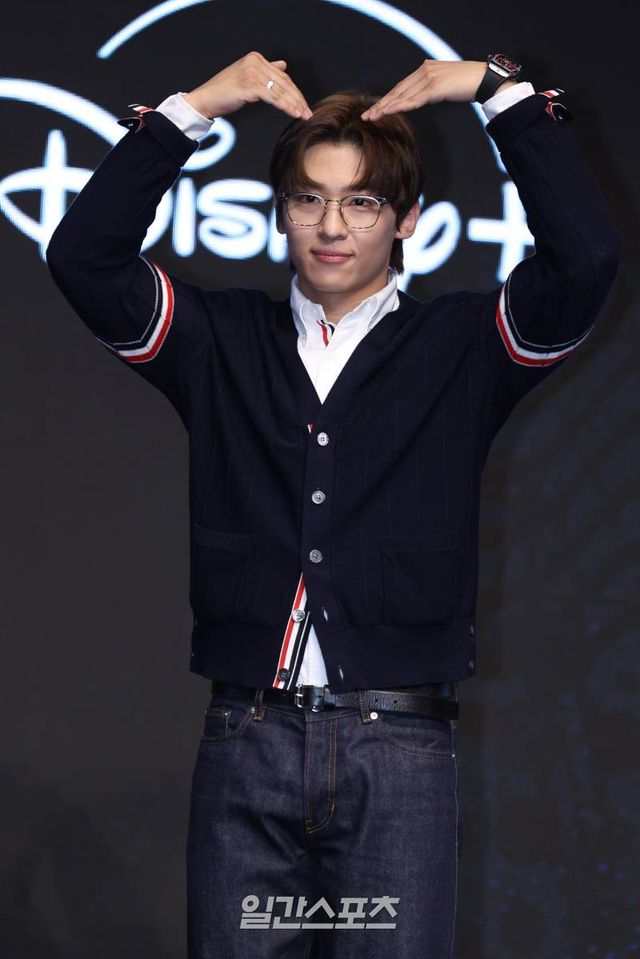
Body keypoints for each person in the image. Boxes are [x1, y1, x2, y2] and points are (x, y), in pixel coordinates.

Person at [45, 51, 618, 959]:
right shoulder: (218, 340)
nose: (332, 226)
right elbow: (83, 256)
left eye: (362, 202)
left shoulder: (465, 347)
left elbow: (584, 260)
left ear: (408, 220)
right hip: (247, 738)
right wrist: (196, 108)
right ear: (280, 212)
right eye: (309, 199)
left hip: (400, 752)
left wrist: (498, 94)